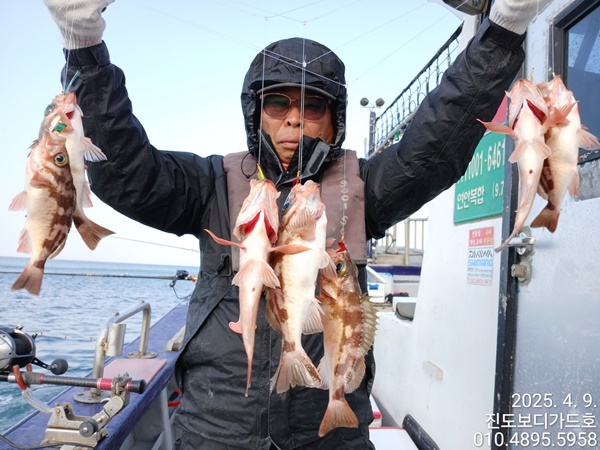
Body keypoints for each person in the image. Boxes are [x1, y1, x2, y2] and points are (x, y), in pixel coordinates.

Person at [43, 1, 551, 448]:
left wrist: (503, 29)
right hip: (215, 431)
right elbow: (128, 173)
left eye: (313, 106)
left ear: (334, 119)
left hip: (328, 435)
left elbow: (435, 145)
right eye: (277, 103)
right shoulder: (208, 184)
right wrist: (84, 46)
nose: (293, 118)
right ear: (256, 113)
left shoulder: (364, 187)